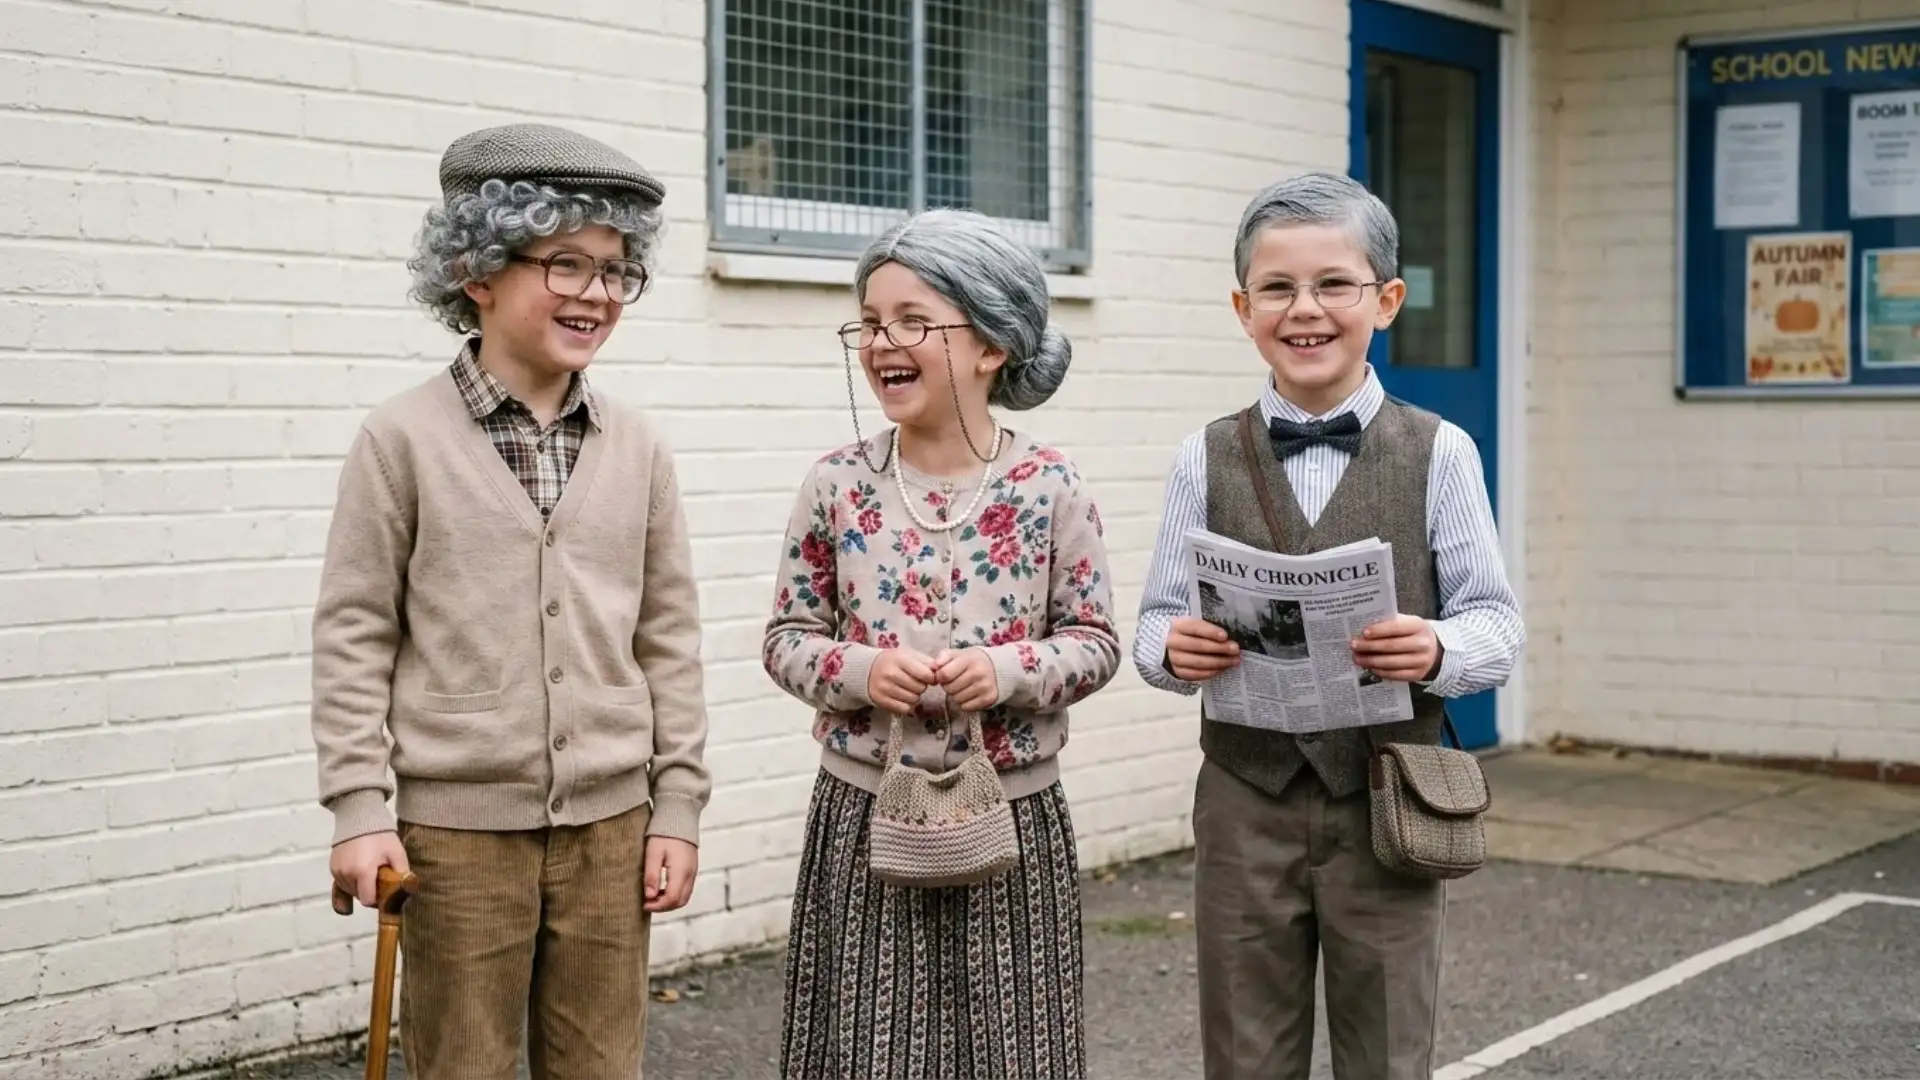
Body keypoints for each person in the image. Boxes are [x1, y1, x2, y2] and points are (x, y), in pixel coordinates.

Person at [310, 122, 711, 1080]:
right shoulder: (399, 440)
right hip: (457, 838)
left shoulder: (639, 446)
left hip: (613, 830)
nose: (596, 294)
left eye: (617, 271)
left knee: (601, 1065)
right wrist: (361, 809)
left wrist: (678, 808)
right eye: (565, 262)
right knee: (464, 1064)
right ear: (477, 270)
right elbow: (354, 634)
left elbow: (669, 639)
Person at [1133, 171, 1527, 1080]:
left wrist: (1436, 648)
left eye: (1333, 285)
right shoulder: (1205, 454)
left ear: (1384, 300)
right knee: (1244, 1051)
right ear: (1243, 307)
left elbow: (1497, 627)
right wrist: (1171, 648)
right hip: (1243, 795)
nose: (1304, 310)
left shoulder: (1442, 451)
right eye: (1277, 288)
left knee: (1389, 1051)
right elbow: (1156, 622)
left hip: (1388, 796)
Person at [762, 207, 1121, 1079]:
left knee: (1014, 1049)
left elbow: (1096, 641)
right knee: (866, 1049)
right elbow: (786, 638)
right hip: (864, 814)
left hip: (1014, 817)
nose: (884, 341)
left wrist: (1003, 670)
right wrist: (860, 670)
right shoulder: (836, 484)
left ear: (991, 344)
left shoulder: (1049, 485)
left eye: (914, 321)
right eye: (871, 322)